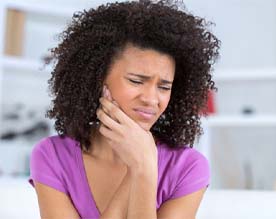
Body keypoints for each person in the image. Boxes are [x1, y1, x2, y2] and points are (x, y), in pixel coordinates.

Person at [28, 0, 220, 218]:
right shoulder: (53, 157)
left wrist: (144, 170)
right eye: (136, 81)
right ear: (98, 79)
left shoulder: (187, 168)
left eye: (164, 87)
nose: (151, 99)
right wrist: (140, 166)